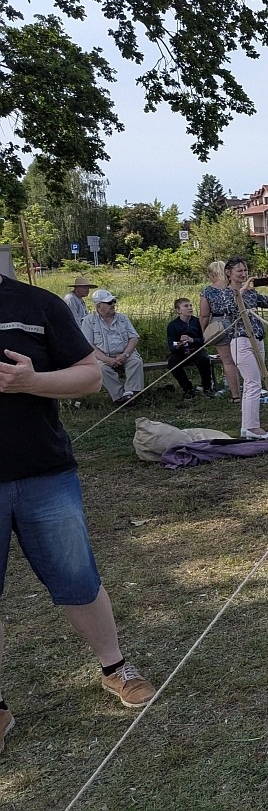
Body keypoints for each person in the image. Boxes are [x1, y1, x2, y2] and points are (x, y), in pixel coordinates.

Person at [0, 272, 156, 755]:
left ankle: (115, 668)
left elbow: (89, 376)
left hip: (45, 474)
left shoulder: (37, 303)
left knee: (78, 578)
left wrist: (32, 381)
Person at [204, 256, 268, 438]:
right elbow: (230, 308)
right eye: (239, 271)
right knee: (253, 383)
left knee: (252, 384)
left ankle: (247, 426)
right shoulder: (225, 292)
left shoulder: (252, 293)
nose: (243, 274)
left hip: (258, 339)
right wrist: (244, 288)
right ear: (229, 273)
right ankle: (252, 427)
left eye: (245, 270)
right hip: (241, 341)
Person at [79, 289, 144, 403]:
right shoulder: (88, 321)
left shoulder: (123, 318)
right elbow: (89, 345)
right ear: (99, 306)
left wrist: (125, 354)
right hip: (102, 357)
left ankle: (131, 393)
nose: (113, 304)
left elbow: (134, 337)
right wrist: (107, 359)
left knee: (136, 362)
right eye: (109, 302)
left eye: (114, 301)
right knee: (101, 368)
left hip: (126, 353)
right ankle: (119, 396)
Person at [199, 261, 240, 400]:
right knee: (241, 358)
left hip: (219, 324)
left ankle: (236, 395)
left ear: (212, 274)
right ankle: (250, 389)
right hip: (238, 322)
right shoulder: (234, 287)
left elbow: (204, 315)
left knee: (228, 361)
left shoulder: (207, 291)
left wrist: (203, 331)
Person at [166, 297, 214, 396]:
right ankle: (187, 389)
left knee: (204, 359)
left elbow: (205, 341)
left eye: (190, 305)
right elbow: (171, 345)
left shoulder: (198, 322)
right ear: (178, 310)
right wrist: (179, 345)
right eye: (186, 306)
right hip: (181, 351)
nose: (190, 308)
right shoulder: (173, 325)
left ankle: (207, 387)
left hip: (196, 349)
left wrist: (193, 340)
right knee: (172, 362)